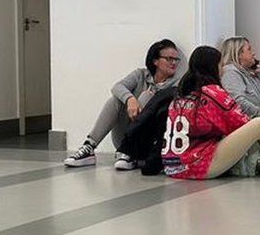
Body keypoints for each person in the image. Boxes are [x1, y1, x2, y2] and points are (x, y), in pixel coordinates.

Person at [161, 46, 260, 179]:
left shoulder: (181, 95)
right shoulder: (212, 92)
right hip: (197, 165)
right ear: (213, 67)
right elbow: (242, 122)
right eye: (221, 65)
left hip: (172, 166)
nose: (223, 69)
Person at [65, 39, 185, 170]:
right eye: (169, 59)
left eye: (176, 59)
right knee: (114, 100)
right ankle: (89, 146)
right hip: (123, 137)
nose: (173, 63)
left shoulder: (177, 84)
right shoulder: (140, 75)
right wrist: (130, 100)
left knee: (147, 96)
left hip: (148, 142)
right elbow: (117, 87)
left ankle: (131, 153)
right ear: (155, 61)